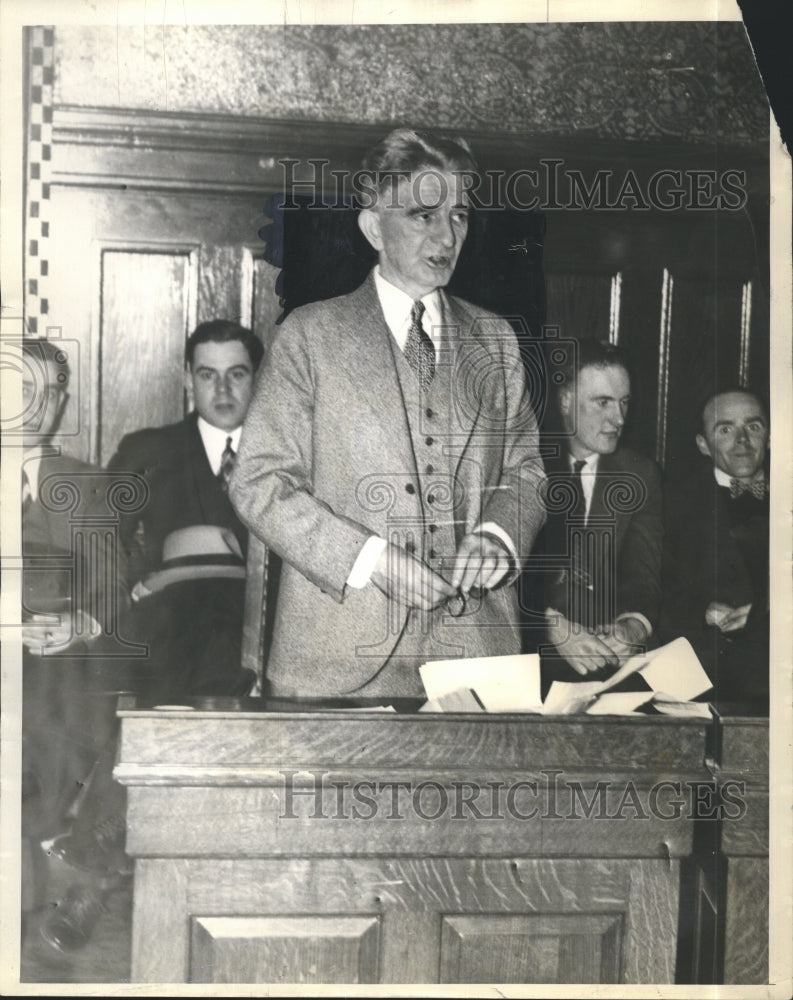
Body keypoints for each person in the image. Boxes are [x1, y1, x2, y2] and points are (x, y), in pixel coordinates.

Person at [230, 128, 546, 700]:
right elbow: (257, 482)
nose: (448, 235)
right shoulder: (311, 335)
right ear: (374, 226)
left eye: (460, 216)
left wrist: (500, 535)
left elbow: (527, 472)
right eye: (424, 216)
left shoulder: (496, 340)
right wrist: (369, 558)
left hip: (477, 662)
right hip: (336, 661)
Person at [19, 338, 132, 928]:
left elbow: (112, 585)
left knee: (66, 710)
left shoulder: (85, 485)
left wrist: (80, 621)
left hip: (58, 675)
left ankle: (40, 846)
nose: (35, 404)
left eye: (50, 392)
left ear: (62, 403)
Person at [108, 319, 264, 701]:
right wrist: (139, 586)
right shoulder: (147, 452)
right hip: (172, 648)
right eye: (208, 375)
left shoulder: (288, 455)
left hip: (265, 646)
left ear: (259, 379)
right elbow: (104, 540)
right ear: (187, 378)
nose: (223, 390)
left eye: (237, 374)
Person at [532, 339, 663, 682]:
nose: (618, 418)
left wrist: (633, 627)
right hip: (528, 650)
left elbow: (645, 577)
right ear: (565, 401)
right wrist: (551, 626)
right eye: (603, 402)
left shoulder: (639, 474)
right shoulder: (523, 464)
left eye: (624, 403)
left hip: (606, 659)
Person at [659, 387, 769, 708]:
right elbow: (651, 589)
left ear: (770, 436)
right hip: (702, 677)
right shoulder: (670, 503)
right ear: (703, 445)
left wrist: (766, 611)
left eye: (753, 426)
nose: (742, 441)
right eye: (725, 429)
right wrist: (700, 612)